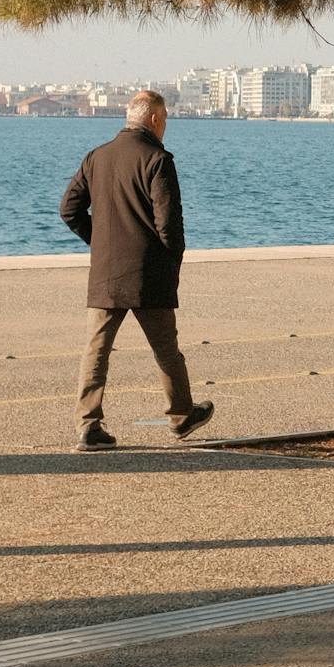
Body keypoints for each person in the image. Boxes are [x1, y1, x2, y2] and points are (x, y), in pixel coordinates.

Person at [61, 90, 214, 451]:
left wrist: (98, 243)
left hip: (106, 272)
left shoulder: (96, 157)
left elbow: (69, 209)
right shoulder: (157, 160)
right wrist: (172, 265)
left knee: (96, 349)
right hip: (148, 273)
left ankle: (88, 424)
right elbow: (169, 226)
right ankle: (180, 415)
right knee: (165, 349)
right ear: (156, 120)